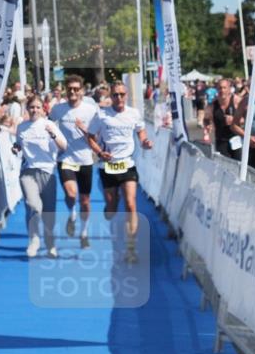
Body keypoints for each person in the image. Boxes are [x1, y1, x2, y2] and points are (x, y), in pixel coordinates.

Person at [78, 81, 154, 264]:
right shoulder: (102, 115)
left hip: (127, 164)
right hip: (109, 166)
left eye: (121, 94)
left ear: (126, 95)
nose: (119, 98)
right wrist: (99, 153)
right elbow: (90, 137)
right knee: (111, 209)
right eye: (115, 95)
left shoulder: (133, 114)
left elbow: (141, 133)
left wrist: (145, 142)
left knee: (130, 203)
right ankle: (110, 206)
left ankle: (130, 249)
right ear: (110, 96)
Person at [48, 74, 99, 248]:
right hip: (66, 158)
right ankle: (72, 214)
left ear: (82, 91)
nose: (73, 92)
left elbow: (96, 137)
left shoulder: (90, 111)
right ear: (65, 90)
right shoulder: (57, 109)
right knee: (71, 194)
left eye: (76, 89)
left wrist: (85, 130)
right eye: (70, 89)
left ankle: (84, 233)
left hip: (85, 160)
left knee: (85, 200)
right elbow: (47, 127)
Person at [14, 95, 67, 258]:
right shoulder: (22, 127)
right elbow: (19, 145)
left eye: (37, 107)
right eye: (31, 107)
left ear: (43, 109)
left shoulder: (49, 125)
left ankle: (51, 245)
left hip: (48, 172)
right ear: (27, 109)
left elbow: (63, 146)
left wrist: (52, 134)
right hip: (28, 171)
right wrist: (15, 148)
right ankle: (34, 241)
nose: (34, 110)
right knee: (34, 206)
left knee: (48, 213)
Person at [209, 79, 240, 159]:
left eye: (224, 88)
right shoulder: (213, 104)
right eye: (220, 88)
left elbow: (248, 118)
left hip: (237, 139)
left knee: (239, 166)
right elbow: (206, 118)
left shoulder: (236, 100)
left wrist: (234, 120)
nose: (222, 90)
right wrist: (208, 125)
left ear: (229, 89)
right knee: (224, 167)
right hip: (221, 140)